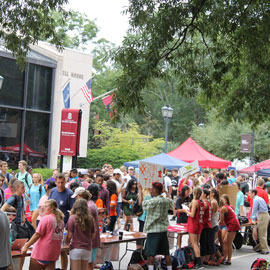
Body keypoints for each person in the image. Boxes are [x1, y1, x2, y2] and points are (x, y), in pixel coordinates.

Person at [21, 199, 65, 270]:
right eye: (44, 206)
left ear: (52, 208)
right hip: (53, 254)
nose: (43, 208)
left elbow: (37, 234)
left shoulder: (46, 219)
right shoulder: (60, 220)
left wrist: (26, 245)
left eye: (46, 206)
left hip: (41, 253)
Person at [143, 182, 173, 270]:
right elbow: (172, 203)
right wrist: (166, 192)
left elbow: (142, 204)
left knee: (151, 253)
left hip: (153, 230)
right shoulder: (166, 200)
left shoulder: (153, 201)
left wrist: (141, 191)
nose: (151, 190)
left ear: (155, 190)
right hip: (163, 229)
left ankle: (151, 268)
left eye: (152, 188)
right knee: (166, 252)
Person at [48, 173, 75, 270]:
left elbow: (72, 211)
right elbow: (48, 205)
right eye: (58, 183)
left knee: (63, 250)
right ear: (55, 182)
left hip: (63, 225)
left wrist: (68, 227)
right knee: (52, 249)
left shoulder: (69, 194)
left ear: (65, 182)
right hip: (51, 224)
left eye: (62, 183)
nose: (60, 185)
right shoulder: (53, 191)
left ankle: (64, 268)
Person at [66, 198, 95, 270]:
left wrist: (67, 241)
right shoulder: (90, 218)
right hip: (87, 247)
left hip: (75, 247)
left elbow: (69, 235)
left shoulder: (72, 218)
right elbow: (93, 235)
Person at [185, 186, 205, 268]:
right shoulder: (201, 202)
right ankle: (197, 260)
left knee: (194, 244)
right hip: (199, 224)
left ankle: (198, 262)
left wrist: (186, 211)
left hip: (193, 224)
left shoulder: (195, 202)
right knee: (196, 243)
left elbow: (192, 214)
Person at [219, 194, 240, 265]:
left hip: (232, 225)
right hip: (232, 224)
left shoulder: (223, 208)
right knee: (225, 241)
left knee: (228, 242)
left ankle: (228, 260)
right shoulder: (227, 207)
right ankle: (225, 257)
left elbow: (221, 221)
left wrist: (215, 225)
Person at [250, 189, 270, 254]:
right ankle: (261, 247)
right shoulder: (258, 198)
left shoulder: (256, 199)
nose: (249, 195)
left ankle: (265, 249)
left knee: (262, 233)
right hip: (263, 215)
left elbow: (254, 210)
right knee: (263, 233)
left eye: (250, 193)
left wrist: (252, 219)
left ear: (253, 193)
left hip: (263, 215)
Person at [208, 188, 224, 266]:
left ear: (213, 193)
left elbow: (211, 214)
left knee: (211, 243)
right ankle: (214, 259)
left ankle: (219, 257)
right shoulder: (213, 201)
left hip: (213, 225)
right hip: (213, 224)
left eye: (210, 192)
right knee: (211, 242)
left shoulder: (213, 202)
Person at [200, 189, 212, 265]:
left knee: (203, 243)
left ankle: (201, 260)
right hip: (208, 224)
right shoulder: (208, 203)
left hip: (205, 225)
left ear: (204, 194)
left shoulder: (204, 203)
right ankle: (205, 259)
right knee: (206, 242)